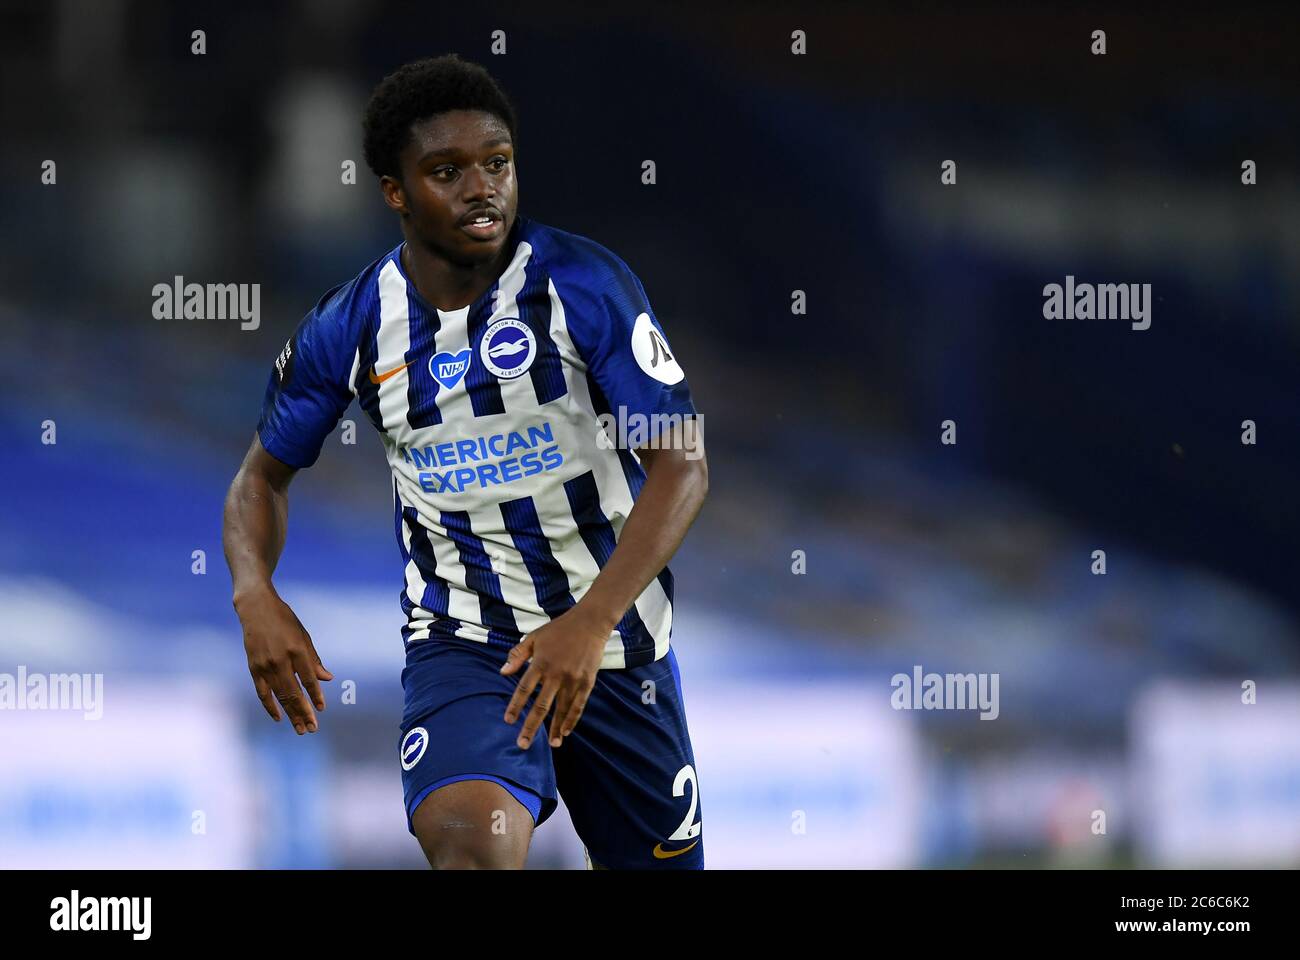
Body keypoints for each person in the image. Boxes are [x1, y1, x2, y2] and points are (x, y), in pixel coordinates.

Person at [222, 54, 708, 869]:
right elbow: (259, 479)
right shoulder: (351, 327)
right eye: (447, 171)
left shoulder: (584, 288)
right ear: (395, 191)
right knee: (470, 848)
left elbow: (683, 466)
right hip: (466, 646)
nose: (482, 188)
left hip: (618, 650)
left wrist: (588, 623)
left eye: (497, 164)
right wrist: (253, 591)